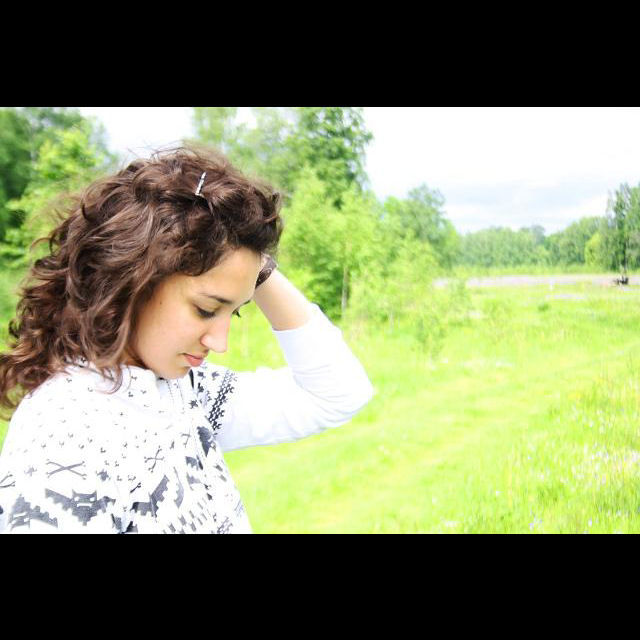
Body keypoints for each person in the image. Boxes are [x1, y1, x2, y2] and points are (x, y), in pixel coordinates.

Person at [0, 144, 374, 534]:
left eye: (235, 311)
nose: (220, 342)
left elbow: (338, 393)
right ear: (132, 280)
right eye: (206, 309)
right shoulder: (64, 442)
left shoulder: (184, 391)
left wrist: (249, 255)